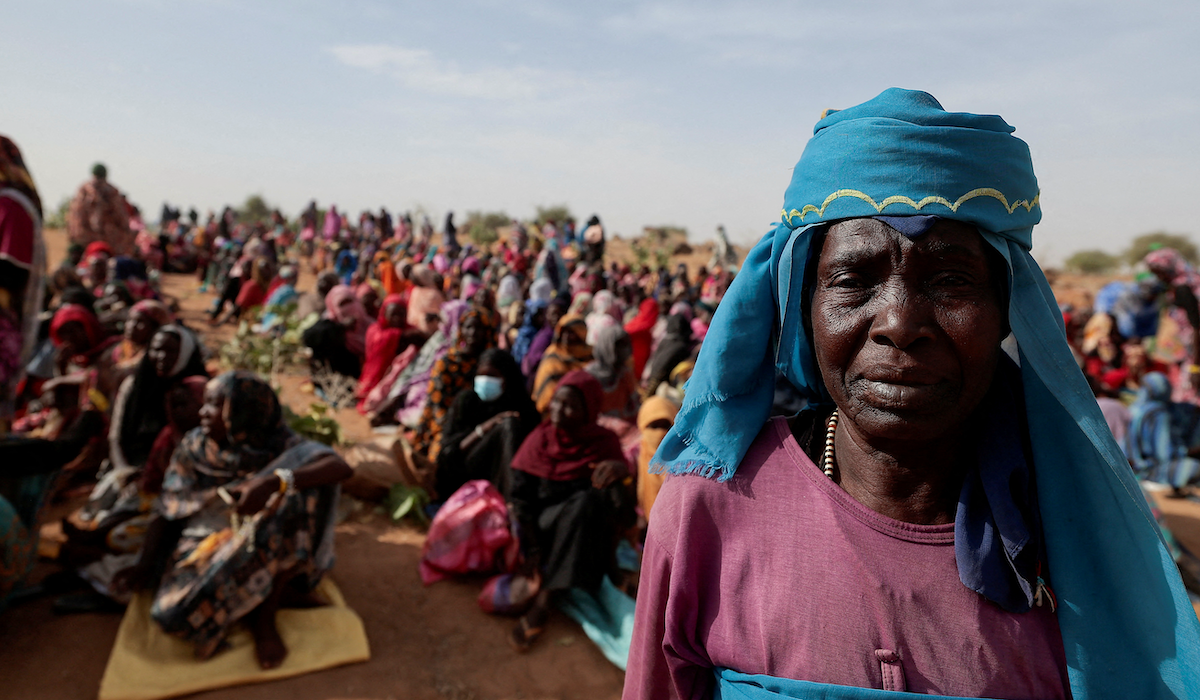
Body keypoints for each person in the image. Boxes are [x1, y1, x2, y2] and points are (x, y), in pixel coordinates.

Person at [624, 89, 1200, 699]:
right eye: (852, 280)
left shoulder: (1074, 538)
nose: (898, 323)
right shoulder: (706, 512)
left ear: (1008, 311)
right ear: (803, 308)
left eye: (950, 281)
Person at [114, 372, 351, 669]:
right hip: (207, 538)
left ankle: (264, 616)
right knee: (171, 614)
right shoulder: (195, 448)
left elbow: (338, 466)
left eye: (214, 406)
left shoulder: (278, 443)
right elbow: (168, 509)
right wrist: (144, 565)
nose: (203, 412)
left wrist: (271, 484)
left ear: (243, 413)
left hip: (265, 537)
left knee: (294, 496)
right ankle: (267, 596)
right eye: (205, 403)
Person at [508, 370, 633, 651]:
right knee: (582, 504)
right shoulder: (540, 440)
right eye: (556, 401)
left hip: (588, 532)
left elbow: (624, 513)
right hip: (546, 530)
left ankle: (552, 594)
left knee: (603, 489)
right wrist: (536, 552)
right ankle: (550, 594)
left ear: (588, 411)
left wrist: (622, 474)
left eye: (570, 406)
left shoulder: (604, 442)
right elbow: (521, 500)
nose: (559, 410)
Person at [434, 348, 540, 499]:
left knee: (509, 426)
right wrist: (485, 428)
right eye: (481, 375)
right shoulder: (466, 401)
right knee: (506, 424)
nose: (485, 381)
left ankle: (515, 500)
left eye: (492, 376)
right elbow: (448, 452)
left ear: (506, 378)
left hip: (506, 470)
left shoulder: (521, 405)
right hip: (468, 469)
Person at [411, 307, 495, 463]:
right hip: (447, 424)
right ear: (461, 329)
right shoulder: (448, 363)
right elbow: (438, 406)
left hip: (482, 425)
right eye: (468, 327)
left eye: (479, 328)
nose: (473, 333)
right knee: (441, 457)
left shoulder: (492, 364)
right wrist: (456, 432)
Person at [67, 163, 134, 256]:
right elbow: (121, 217)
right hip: (108, 242)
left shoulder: (83, 190)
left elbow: (75, 216)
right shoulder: (112, 191)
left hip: (85, 240)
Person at [531, 315, 592, 414]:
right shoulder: (553, 356)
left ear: (581, 333)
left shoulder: (591, 354)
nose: (566, 336)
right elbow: (550, 393)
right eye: (563, 332)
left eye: (571, 332)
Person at [586, 325, 639, 420]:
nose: (624, 350)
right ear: (606, 346)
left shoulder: (625, 373)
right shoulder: (589, 376)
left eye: (625, 344)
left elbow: (634, 404)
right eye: (618, 345)